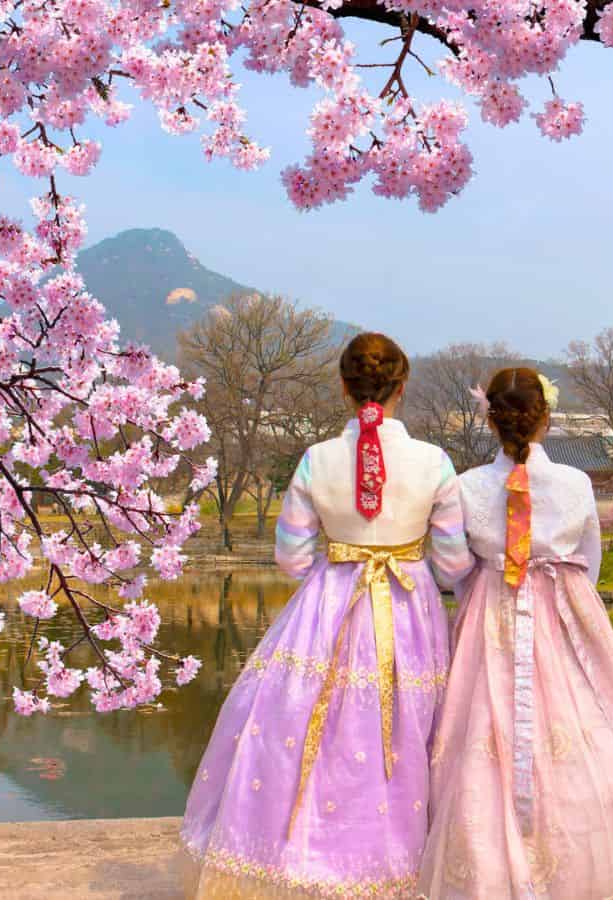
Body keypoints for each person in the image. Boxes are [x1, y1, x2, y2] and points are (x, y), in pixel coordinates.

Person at [418, 367, 613, 899]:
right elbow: (590, 562)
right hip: (566, 607)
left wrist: (482, 588)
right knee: (593, 717)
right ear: (544, 419)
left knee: (483, 729)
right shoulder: (575, 483)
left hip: (491, 611)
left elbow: (451, 568)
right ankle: (589, 846)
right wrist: (567, 598)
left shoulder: (466, 487)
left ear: (491, 419)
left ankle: (491, 859)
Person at [182, 332, 471, 898]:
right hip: (408, 613)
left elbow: (290, 559)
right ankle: (400, 865)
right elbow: (455, 561)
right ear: (402, 388)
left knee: (311, 732)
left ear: (343, 386)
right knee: (405, 735)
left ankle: (305, 857)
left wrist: (342, 552)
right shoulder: (434, 463)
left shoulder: (316, 459)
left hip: (327, 608)